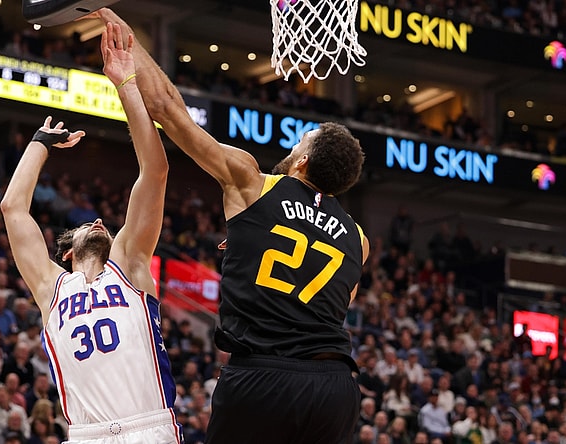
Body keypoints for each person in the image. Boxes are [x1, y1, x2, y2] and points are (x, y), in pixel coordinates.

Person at [90, 9, 368, 444]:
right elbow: (334, 298)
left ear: (303, 161)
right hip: (335, 386)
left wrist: (127, 40)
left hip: (264, 377)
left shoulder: (252, 182)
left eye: (300, 142)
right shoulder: (359, 239)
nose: (294, 144)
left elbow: (167, 108)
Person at [0, 23, 180, 444]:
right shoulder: (50, 287)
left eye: (102, 222)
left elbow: (155, 172)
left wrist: (126, 85)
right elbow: (13, 208)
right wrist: (40, 142)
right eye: (87, 224)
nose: (99, 222)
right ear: (67, 253)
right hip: (85, 434)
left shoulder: (130, 265)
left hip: (148, 427)